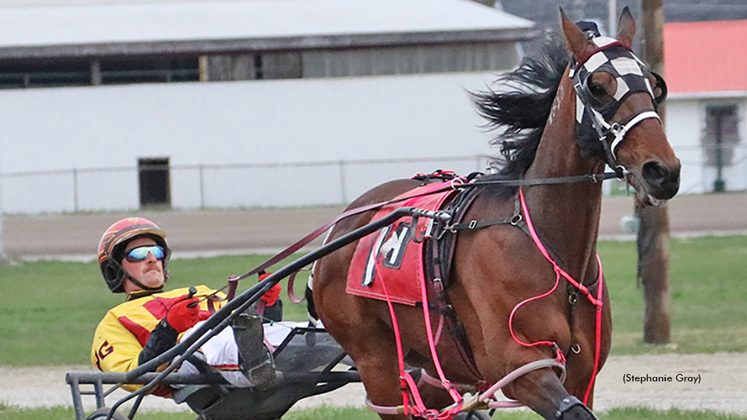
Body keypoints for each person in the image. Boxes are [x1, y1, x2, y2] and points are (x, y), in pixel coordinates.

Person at [90, 217, 282, 394]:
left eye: (157, 252)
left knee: (289, 331)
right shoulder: (114, 321)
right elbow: (132, 376)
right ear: (114, 268)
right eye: (138, 254)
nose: (152, 259)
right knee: (202, 332)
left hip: (235, 349)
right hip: (183, 364)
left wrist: (265, 304)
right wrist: (169, 329)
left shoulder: (201, 291)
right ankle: (255, 367)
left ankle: (308, 349)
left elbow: (251, 329)